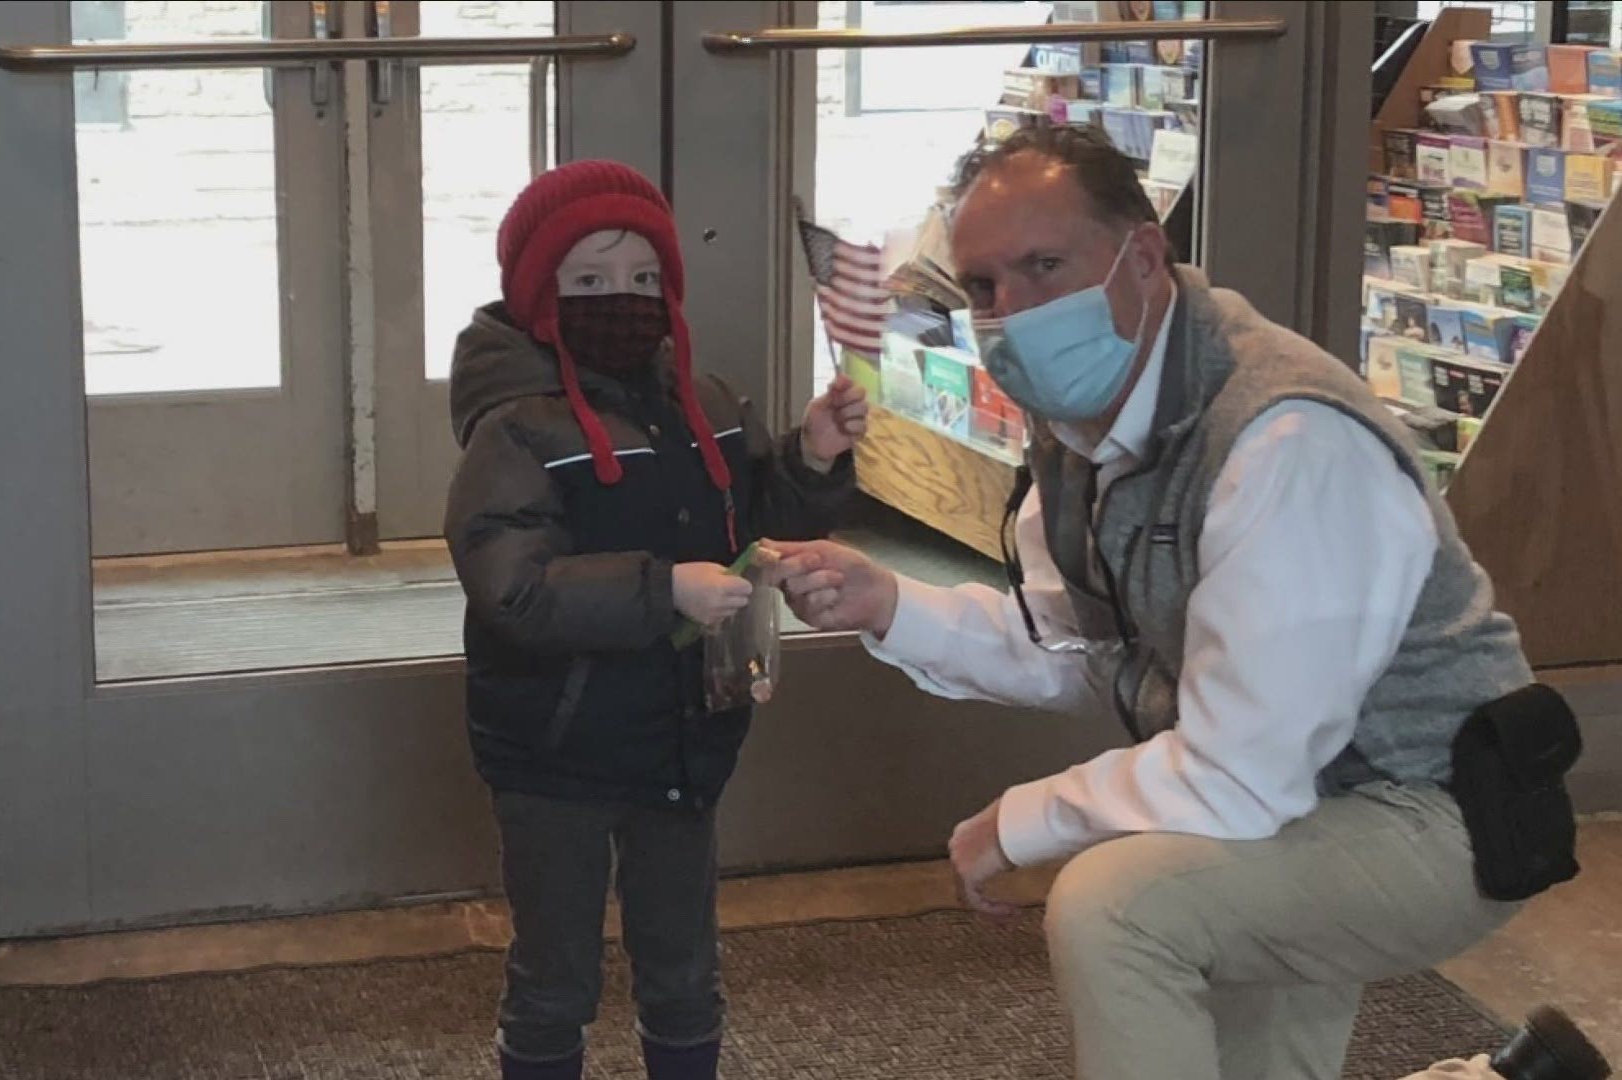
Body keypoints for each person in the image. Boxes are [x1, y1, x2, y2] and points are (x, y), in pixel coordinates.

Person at [769, 124, 1596, 1080]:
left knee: (1119, 906)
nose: (1012, 313)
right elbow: (1076, 648)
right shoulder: (1086, 425)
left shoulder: (1284, 438)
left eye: (1044, 265)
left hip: (1435, 816)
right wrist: (888, 604)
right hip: (1314, 795)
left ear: (1144, 256)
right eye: (986, 287)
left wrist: (1024, 819)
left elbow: (1243, 775)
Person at [444, 159, 866, 1080]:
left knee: (683, 964)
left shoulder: (703, 403)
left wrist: (814, 458)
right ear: (537, 292)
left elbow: (753, 515)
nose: (621, 300)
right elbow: (513, 587)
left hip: (684, 735)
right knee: (555, 974)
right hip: (553, 749)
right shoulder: (513, 428)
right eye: (588, 281)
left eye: (643, 279)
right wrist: (663, 587)